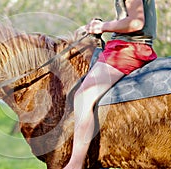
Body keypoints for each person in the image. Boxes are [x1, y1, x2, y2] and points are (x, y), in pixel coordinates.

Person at [64, 0, 157, 168]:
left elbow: (136, 22)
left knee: (83, 97)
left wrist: (103, 27)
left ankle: (75, 165)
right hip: (125, 45)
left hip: (129, 48)